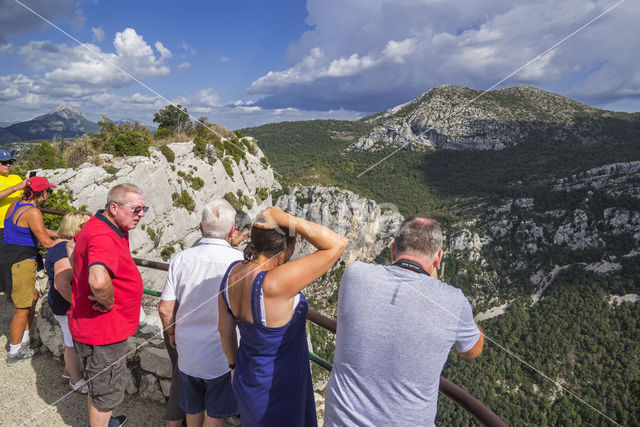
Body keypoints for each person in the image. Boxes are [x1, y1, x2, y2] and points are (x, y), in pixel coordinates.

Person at [324, 216, 484, 426]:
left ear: (392, 250)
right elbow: (472, 351)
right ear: (438, 259)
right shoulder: (453, 300)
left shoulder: (354, 274)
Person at [218, 206, 347, 427]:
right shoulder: (274, 283)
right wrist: (287, 219)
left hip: (246, 378)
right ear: (286, 246)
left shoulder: (233, 273)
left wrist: (233, 367)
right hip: (279, 388)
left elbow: (225, 330)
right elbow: (337, 244)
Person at [159, 207, 252, 427]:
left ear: (201, 228)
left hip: (188, 350)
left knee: (193, 409)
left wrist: (172, 333)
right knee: (215, 413)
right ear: (232, 230)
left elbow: (164, 308)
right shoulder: (241, 263)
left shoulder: (182, 259)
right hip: (222, 353)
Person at [67, 183, 147, 427]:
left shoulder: (100, 224)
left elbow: (71, 245)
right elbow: (100, 281)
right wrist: (108, 300)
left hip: (97, 327)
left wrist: (79, 277)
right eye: (136, 209)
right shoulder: (103, 235)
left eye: (144, 209)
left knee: (99, 384)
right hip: (104, 331)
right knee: (106, 394)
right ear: (114, 207)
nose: (141, 214)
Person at [4, 176, 58, 365]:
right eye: (48, 191)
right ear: (42, 193)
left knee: (32, 296)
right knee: (21, 308)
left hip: (10, 256)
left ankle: (24, 339)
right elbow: (45, 242)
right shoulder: (33, 212)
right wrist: (69, 246)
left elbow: (39, 230)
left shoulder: (17, 205)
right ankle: (15, 352)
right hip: (21, 261)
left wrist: (61, 234)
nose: (49, 194)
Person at [45, 211, 92, 393]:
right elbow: (62, 284)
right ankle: (76, 380)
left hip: (61, 303)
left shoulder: (59, 245)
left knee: (69, 339)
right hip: (66, 305)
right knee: (72, 344)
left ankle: (67, 372)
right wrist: (77, 305)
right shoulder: (62, 250)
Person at [0, 149, 25, 294]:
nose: (8, 165)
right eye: (4, 163)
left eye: (10, 162)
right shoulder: (15, 183)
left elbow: (22, 195)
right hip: (1, 226)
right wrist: (16, 188)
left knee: (17, 257)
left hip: (17, 225)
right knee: (3, 259)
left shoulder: (15, 177)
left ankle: (14, 288)